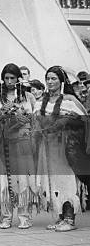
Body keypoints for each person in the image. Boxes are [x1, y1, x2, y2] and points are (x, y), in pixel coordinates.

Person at [0, 64, 38, 229]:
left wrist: (20, 116)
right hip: (4, 142)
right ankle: (6, 217)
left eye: (12, 78)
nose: (9, 81)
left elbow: (36, 118)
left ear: (18, 79)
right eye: (6, 78)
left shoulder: (28, 97)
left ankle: (24, 216)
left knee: (23, 179)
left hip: (22, 142)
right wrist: (1, 116)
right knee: (5, 182)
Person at [35, 66, 88, 232]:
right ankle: (60, 217)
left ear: (61, 81)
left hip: (65, 150)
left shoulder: (69, 100)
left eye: (54, 79)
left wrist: (66, 122)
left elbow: (84, 121)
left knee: (66, 181)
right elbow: (36, 124)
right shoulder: (40, 102)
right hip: (47, 149)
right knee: (53, 181)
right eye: (48, 79)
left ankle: (69, 219)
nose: (50, 82)